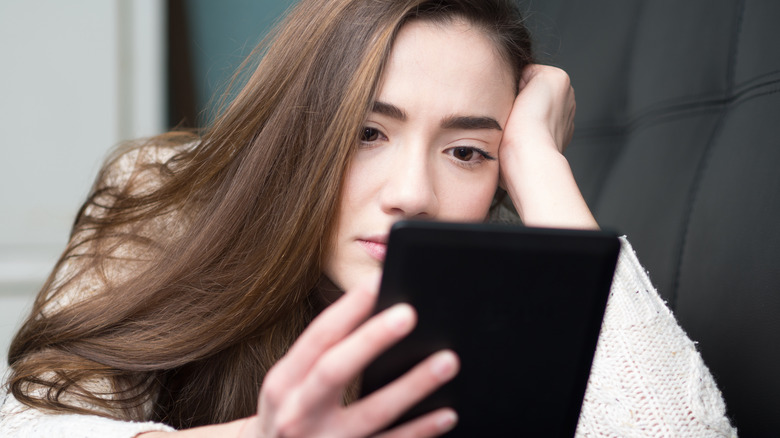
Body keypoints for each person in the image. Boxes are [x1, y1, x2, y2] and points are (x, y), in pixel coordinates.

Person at [1, 0, 736, 436]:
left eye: (468, 151)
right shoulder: (161, 191)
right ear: (300, 129)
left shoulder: (504, 304)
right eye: (367, 133)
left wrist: (540, 160)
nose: (411, 193)